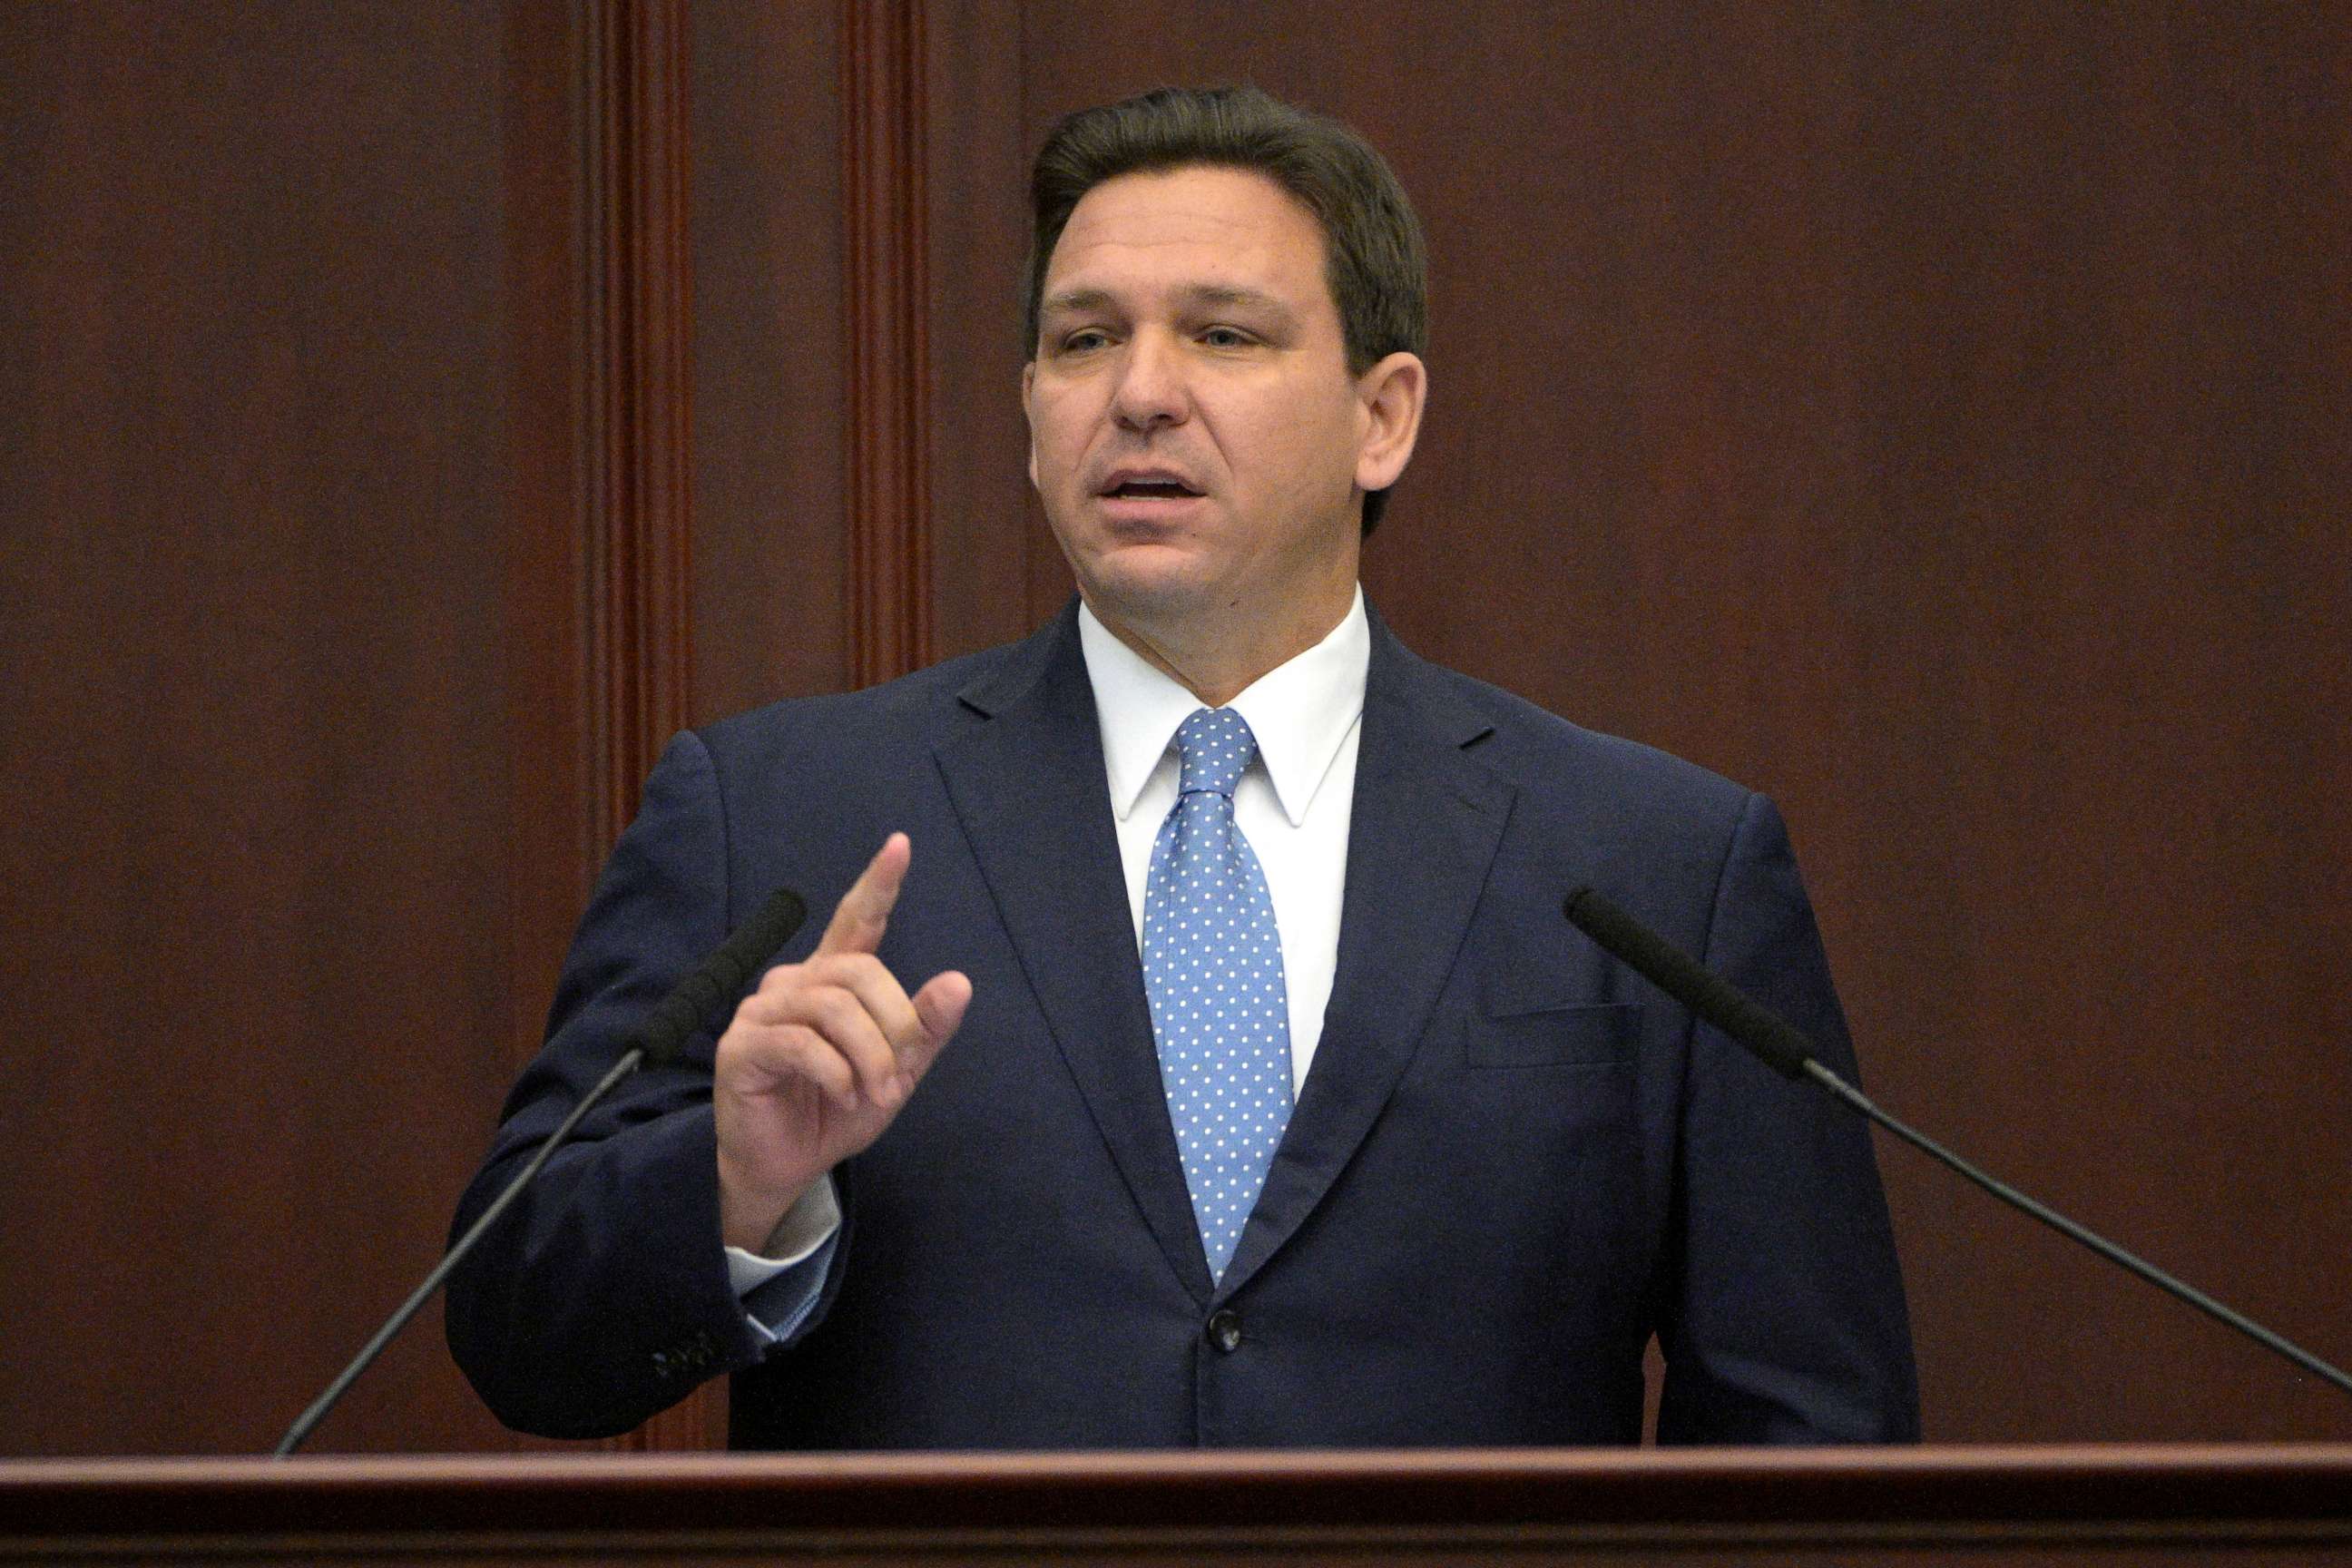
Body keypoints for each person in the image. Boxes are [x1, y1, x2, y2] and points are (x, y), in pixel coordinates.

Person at [446, 85, 1919, 1447]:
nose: (1139, 393)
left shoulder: (1654, 865)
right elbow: (515, 1327)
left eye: (1223, 334)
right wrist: (734, 1180)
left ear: (1382, 415)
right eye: (1084, 340)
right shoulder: (778, 817)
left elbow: (1812, 1439)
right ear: (1032, 414)